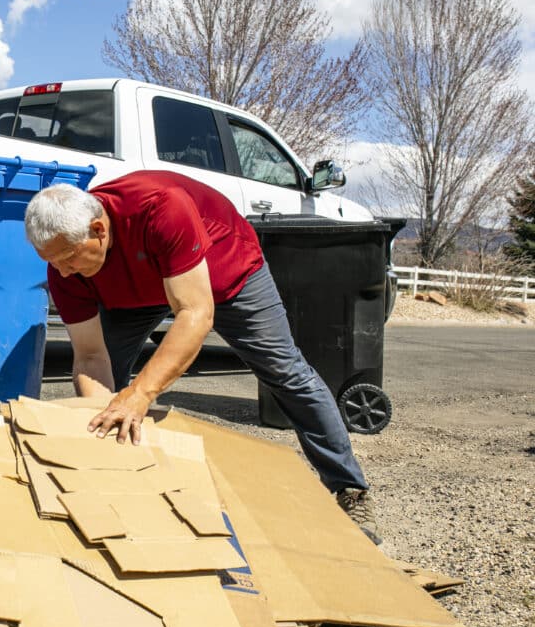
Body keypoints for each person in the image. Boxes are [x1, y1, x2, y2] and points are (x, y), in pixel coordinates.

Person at [24, 171, 380, 544]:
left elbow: (195, 314)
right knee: (111, 383)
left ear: (99, 229)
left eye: (68, 257)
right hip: (135, 289)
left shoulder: (162, 209)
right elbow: (91, 356)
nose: (62, 272)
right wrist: (105, 428)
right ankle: (122, 470)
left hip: (223, 274)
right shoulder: (65, 268)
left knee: (284, 370)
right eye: (53, 261)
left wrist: (140, 395)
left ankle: (350, 488)